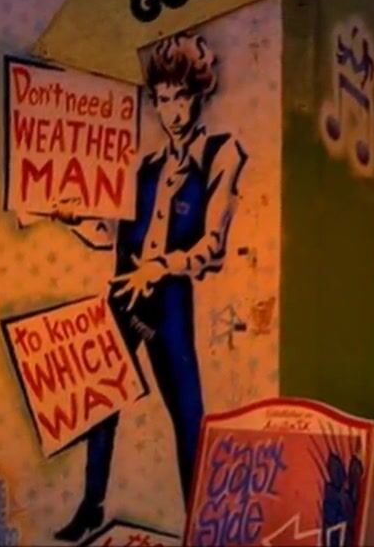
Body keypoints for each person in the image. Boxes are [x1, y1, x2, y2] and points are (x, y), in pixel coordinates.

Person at [52, 32, 247, 542]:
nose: (172, 111)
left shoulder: (220, 154)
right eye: (162, 99)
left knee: (188, 414)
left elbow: (213, 245)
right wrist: (74, 218)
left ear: (198, 95)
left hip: (168, 301)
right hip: (123, 295)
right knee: (101, 403)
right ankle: (91, 506)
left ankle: (200, 521)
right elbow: (110, 235)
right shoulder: (144, 168)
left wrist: (160, 268)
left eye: (180, 97)